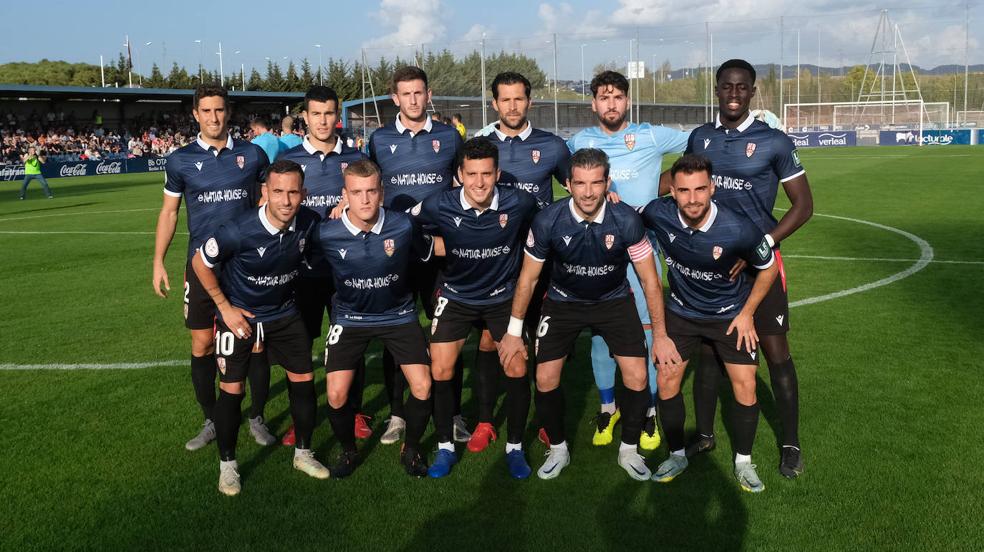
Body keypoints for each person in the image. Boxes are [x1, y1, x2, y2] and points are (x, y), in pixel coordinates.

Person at [498, 148, 680, 481]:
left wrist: (661, 334)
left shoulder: (625, 219)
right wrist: (513, 330)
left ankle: (628, 450)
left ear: (607, 181)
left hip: (613, 302)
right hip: (562, 302)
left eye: (596, 183)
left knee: (637, 376)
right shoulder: (548, 220)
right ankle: (558, 448)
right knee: (545, 377)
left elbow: (650, 280)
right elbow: (528, 276)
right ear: (567, 183)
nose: (588, 192)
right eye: (580, 183)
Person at [672, 59, 813, 479]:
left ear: (752, 91)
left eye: (742, 88)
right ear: (716, 90)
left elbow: (804, 206)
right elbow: (681, 183)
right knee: (709, 351)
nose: (734, 94)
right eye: (726, 87)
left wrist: (762, 244)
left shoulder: (774, 141)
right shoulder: (701, 137)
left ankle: (790, 443)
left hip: (758, 266)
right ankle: (705, 435)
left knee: (775, 353)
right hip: (711, 264)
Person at [641, 154, 778, 493]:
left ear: (712, 188)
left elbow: (769, 267)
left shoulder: (739, 227)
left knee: (744, 383)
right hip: (682, 313)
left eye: (700, 189)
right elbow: (627, 219)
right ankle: (676, 455)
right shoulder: (658, 213)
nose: (692, 199)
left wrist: (746, 313)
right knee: (668, 378)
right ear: (672, 191)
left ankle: (744, 462)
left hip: (729, 316)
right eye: (684, 190)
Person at [567, 71, 690, 450]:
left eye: (618, 97)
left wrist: (663, 185)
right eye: (604, 98)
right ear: (593, 104)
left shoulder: (651, 135)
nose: (611, 104)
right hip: (597, 253)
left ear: (627, 101)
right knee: (601, 331)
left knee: (651, 328)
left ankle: (651, 411)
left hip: (642, 252)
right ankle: (609, 406)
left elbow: (701, 145)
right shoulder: (578, 141)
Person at [192, 159, 328, 495]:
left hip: (284, 314)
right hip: (242, 317)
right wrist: (226, 308)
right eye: (278, 191)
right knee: (233, 391)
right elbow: (200, 262)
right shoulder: (238, 230)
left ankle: (303, 454)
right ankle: (228, 467)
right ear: (264, 192)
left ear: (304, 194)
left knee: (305, 381)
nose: (285, 200)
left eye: (293, 192)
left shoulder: (309, 222)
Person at [153, 84, 273, 451]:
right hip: (201, 265)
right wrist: (157, 259)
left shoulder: (252, 155)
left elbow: (270, 202)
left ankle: (256, 417)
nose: (214, 117)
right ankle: (211, 419)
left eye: (219, 110)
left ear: (228, 112)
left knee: (253, 343)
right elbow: (170, 212)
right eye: (206, 111)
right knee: (203, 344)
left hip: (247, 264)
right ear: (196, 114)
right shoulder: (179, 160)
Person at [410, 138, 539, 479]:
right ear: (459, 174)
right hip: (456, 297)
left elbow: (548, 224)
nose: (479, 182)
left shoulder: (519, 202)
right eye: (471, 174)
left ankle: (514, 448)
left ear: (497, 173)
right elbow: (405, 224)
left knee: (516, 366)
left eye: (486, 174)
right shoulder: (439, 204)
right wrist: (437, 248)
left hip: (502, 298)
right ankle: (445, 448)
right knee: (440, 368)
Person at [364, 66, 468, 445]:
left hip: (441, 251)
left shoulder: (447, 135)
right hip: (397, 252)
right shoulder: (378, 139)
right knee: (397, 333)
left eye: (419, 93)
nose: (413, 100)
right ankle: (396, 415)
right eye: (405, 94)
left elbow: (462, 185)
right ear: (394, 98)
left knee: (447, 334)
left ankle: (453, 413)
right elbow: (368, 190)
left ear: (428, 94)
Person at [469, 71, 570, 451]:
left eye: (519, 99)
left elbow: (575, 190)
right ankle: (483, 420)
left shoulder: (553, 146)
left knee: (542, 344)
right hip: (494, 262)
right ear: (494, 103)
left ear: (529, 101)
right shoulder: (478, 146)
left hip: (541, 262)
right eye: (504, 100)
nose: (512, 106)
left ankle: (545, 421)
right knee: (488, 341)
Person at [313, 159, 433, 478]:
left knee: (422, 385)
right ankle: (349, 452)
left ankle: (411, 448)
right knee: (336, 394)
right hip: (350, 318)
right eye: (356, 192)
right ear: (344, 195)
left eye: (370, 191)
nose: (364, 199)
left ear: (381, 192)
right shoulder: (326, 233)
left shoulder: (404, 226)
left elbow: (429, 255)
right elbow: (304, 264)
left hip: (398, 314)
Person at [279, 85, 371, 446]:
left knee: (352, 342)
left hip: (344, 272)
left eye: (329, 113)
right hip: (299, 272)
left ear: (338, 116)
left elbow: (370, 205)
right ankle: (301, 418)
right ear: (305, 117)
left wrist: (347, 209)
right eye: (316, 114)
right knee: (298, 347)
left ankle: (357, 412)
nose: (323, 120)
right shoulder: (288, 161)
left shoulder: (355, 158)